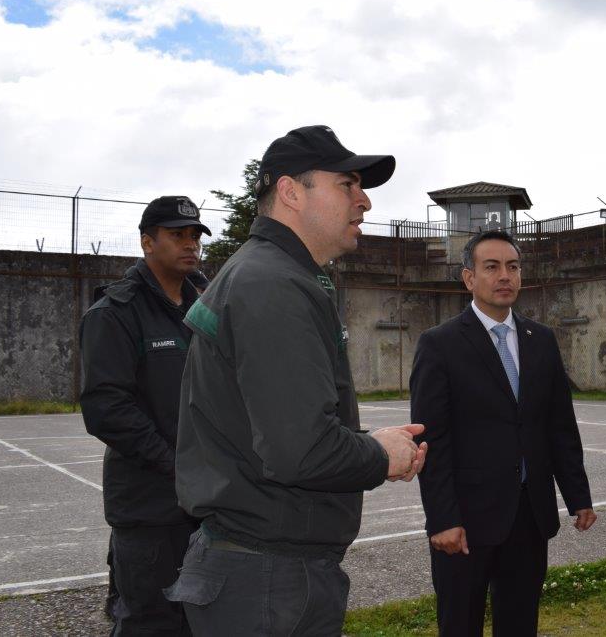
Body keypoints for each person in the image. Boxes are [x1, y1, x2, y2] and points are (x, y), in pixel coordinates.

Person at [165, 125, 427, 636]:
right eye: (347, 185)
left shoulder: (271, 275)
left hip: (265, 572)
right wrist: (382, 455)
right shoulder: (272, 284)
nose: (365, 201)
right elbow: (299, 451)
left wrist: (365, 441)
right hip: (266, 582)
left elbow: (282, 429)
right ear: (290, 191)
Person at [410, 229, 597, 636]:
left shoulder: (541, 340)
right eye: (491, 267)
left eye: (512, 266)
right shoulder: (439, 344)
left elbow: (559, 426)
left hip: (529, 517)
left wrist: (578, 496)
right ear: (468, 279)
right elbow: (431, 441)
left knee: (519, 624)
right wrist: (441, 518)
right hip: (465, 523)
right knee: (460, 625)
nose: (504, 276)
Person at [80, 195, 211, 635]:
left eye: (195, 235)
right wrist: (176, 467)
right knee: (150, 622)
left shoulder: (205, 308)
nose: (190, 244)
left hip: (210, 499)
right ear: (147, 242)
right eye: (177, 235)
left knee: (204, 617)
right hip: (151, 505)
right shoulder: (116, 312)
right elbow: (106, 409)